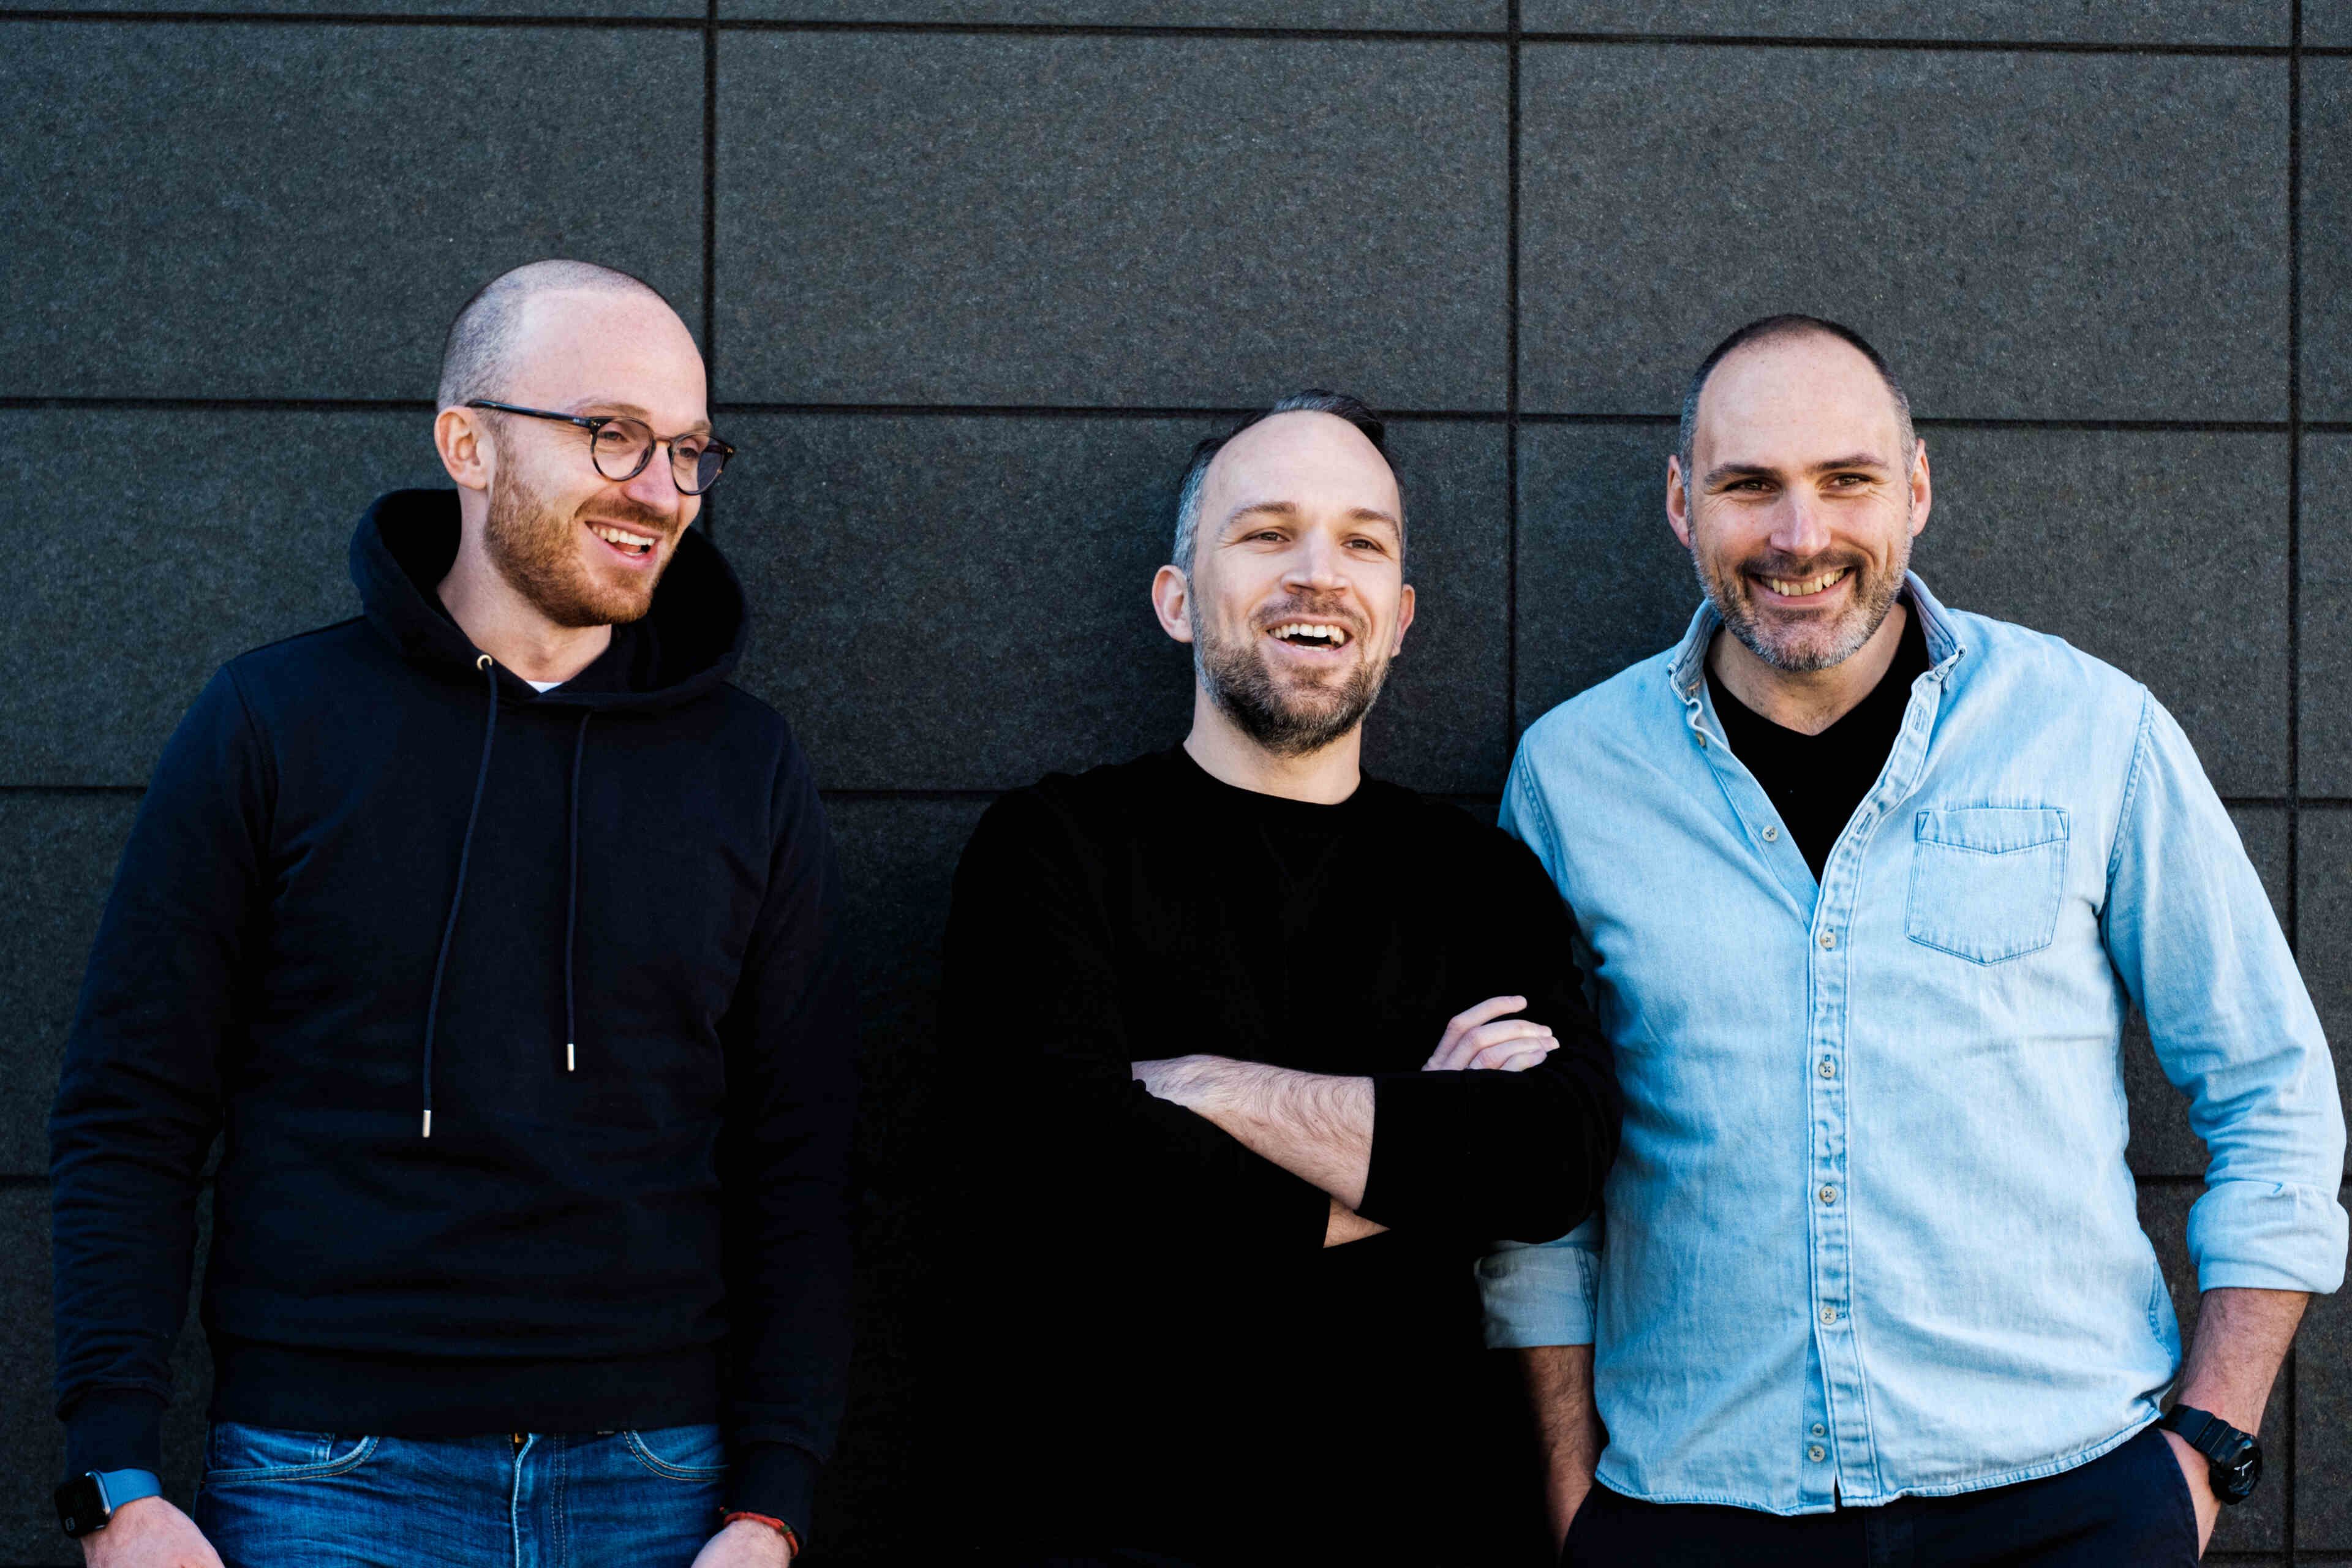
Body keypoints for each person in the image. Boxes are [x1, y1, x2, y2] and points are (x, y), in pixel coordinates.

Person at [1483, 315, 2347, 1566]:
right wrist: (1576, 1501)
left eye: (1847, 480)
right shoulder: (1573, 776)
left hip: (2066, 1504)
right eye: (1748, 486)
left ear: (1918, 488)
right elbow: (1537, 1177)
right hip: (1694, 1511)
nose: (1800, 535)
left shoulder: (2090, 731)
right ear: (1682, 502)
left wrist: (2209, 1445)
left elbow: (2274, 1088)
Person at [49, 260, 856, 1568]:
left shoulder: (744, 767)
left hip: (658, 1480)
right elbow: (130, 1112)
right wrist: (110, 1479)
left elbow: (803, 1163)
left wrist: (772, 1504)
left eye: (691, 452)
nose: (661, 490)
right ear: (466, 443)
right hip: (327, 1474)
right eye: (613, 435)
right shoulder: (274, 723)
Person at [938, 392, 1622, 1566]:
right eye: (1266, 534)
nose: (1320, 573)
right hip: (1114, 1532)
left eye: (1363, 541)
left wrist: (1207, 1087)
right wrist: (1426, 1149)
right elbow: (1070, 1178)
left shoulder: (1481, 882)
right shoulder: (1053, 849)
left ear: (1400, 617)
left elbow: (1549, 1161)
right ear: (1177, 597)